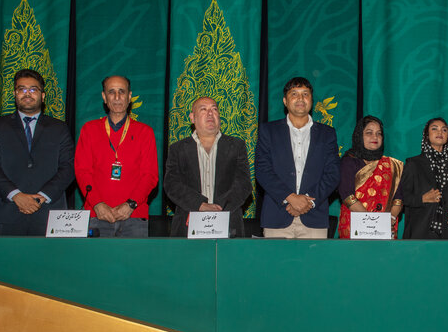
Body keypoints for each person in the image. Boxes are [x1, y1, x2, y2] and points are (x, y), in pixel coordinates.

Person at [0, 68, 75, 235]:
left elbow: (68, 167)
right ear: (15, 94)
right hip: (9, 212)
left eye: (33, 89)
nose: (27, 93)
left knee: (48, 262)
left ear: (43, 95)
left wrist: (40, 197)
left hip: (48, 214)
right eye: (21, 89)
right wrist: (16, 195)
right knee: (8, 262)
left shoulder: (59, 128)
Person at [255, 77, 340, 238]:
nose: (300, 98)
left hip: (314, 217)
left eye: (305, 94)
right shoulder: (268, 131)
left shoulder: (327, 134)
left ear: (312, 100)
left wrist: (307, 202)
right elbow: (262, 170)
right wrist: (290, 198)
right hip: (277, 216)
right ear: (285, 101)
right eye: (294, 94)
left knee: (314, 264)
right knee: (276, 264)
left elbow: (332, 174)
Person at [74, 76, 158, 237]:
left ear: (129, 96)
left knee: (133, 262)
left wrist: (130, 204)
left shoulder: (145, 132)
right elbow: (82, 171)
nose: (117, 97)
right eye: (111, 92)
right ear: (104, 97)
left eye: (122, 92)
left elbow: (150, 175)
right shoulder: (89, 129)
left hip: (134, 215)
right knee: (96, 262)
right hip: (96, 214)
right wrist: (98, 204)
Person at [164, 96, 252, 238]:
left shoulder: (236, 146)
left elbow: (244, 184)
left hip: (228, 224)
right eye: (203, 109)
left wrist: (218, 208)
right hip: (188, 226)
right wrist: (200, 205)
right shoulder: (177, 149)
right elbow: (171, 185)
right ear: (192, 118)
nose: (210, 113)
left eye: (214, 109)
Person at [397, 118, 448, 240]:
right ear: (427, 136)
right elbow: (402, 197)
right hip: (420, 232)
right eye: (434, 129)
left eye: (444, 130)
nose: (440, 132)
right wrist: (422, 199)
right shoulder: (414, 163)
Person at [337, 115, 403, 238]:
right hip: (354, 227)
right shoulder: (349, 162)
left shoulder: (391, 165)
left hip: (386, 229)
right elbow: (347, 195)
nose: (375, 137)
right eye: (369, 133)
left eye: (379, 133)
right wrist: (373, 223)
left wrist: (391, 218)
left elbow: (398, 198)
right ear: (359, 136)